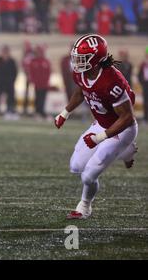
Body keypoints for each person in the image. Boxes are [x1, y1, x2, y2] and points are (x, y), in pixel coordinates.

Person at [55, 34, 138, 219]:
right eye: (76, 57)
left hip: (122, 130)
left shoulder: (111, 81)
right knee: (76, 166)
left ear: (95, 59)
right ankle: (125, 152)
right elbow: (81, 90)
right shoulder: (81, 72)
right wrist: (65, 113)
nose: (77, 62)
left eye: (82, 58)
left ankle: (84, 207)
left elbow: (127, 118)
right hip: (102, 123)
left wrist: (99, 138)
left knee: (88, 176)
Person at [28, 45, 51, 118]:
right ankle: (37, 111)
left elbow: (48, 72)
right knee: (37, 97)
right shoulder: (33, 61)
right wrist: (33, 81)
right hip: (37, 84)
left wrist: (47, 81)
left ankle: (41, 111)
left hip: (44, 84)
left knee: (43, 98)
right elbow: (31, 72)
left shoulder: (46, 61)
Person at [0, 45, 18, 117]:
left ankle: (10, 109)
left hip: (9, 81)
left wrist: (13, 80)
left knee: (11, 96)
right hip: (1, 81)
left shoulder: (12, 61)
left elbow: (15, 72)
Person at [137, 48, 148, 123]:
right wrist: (142, 83)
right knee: (146, 102)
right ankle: (146, 118)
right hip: (146, 85)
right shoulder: (143, 64)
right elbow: (139, 75)